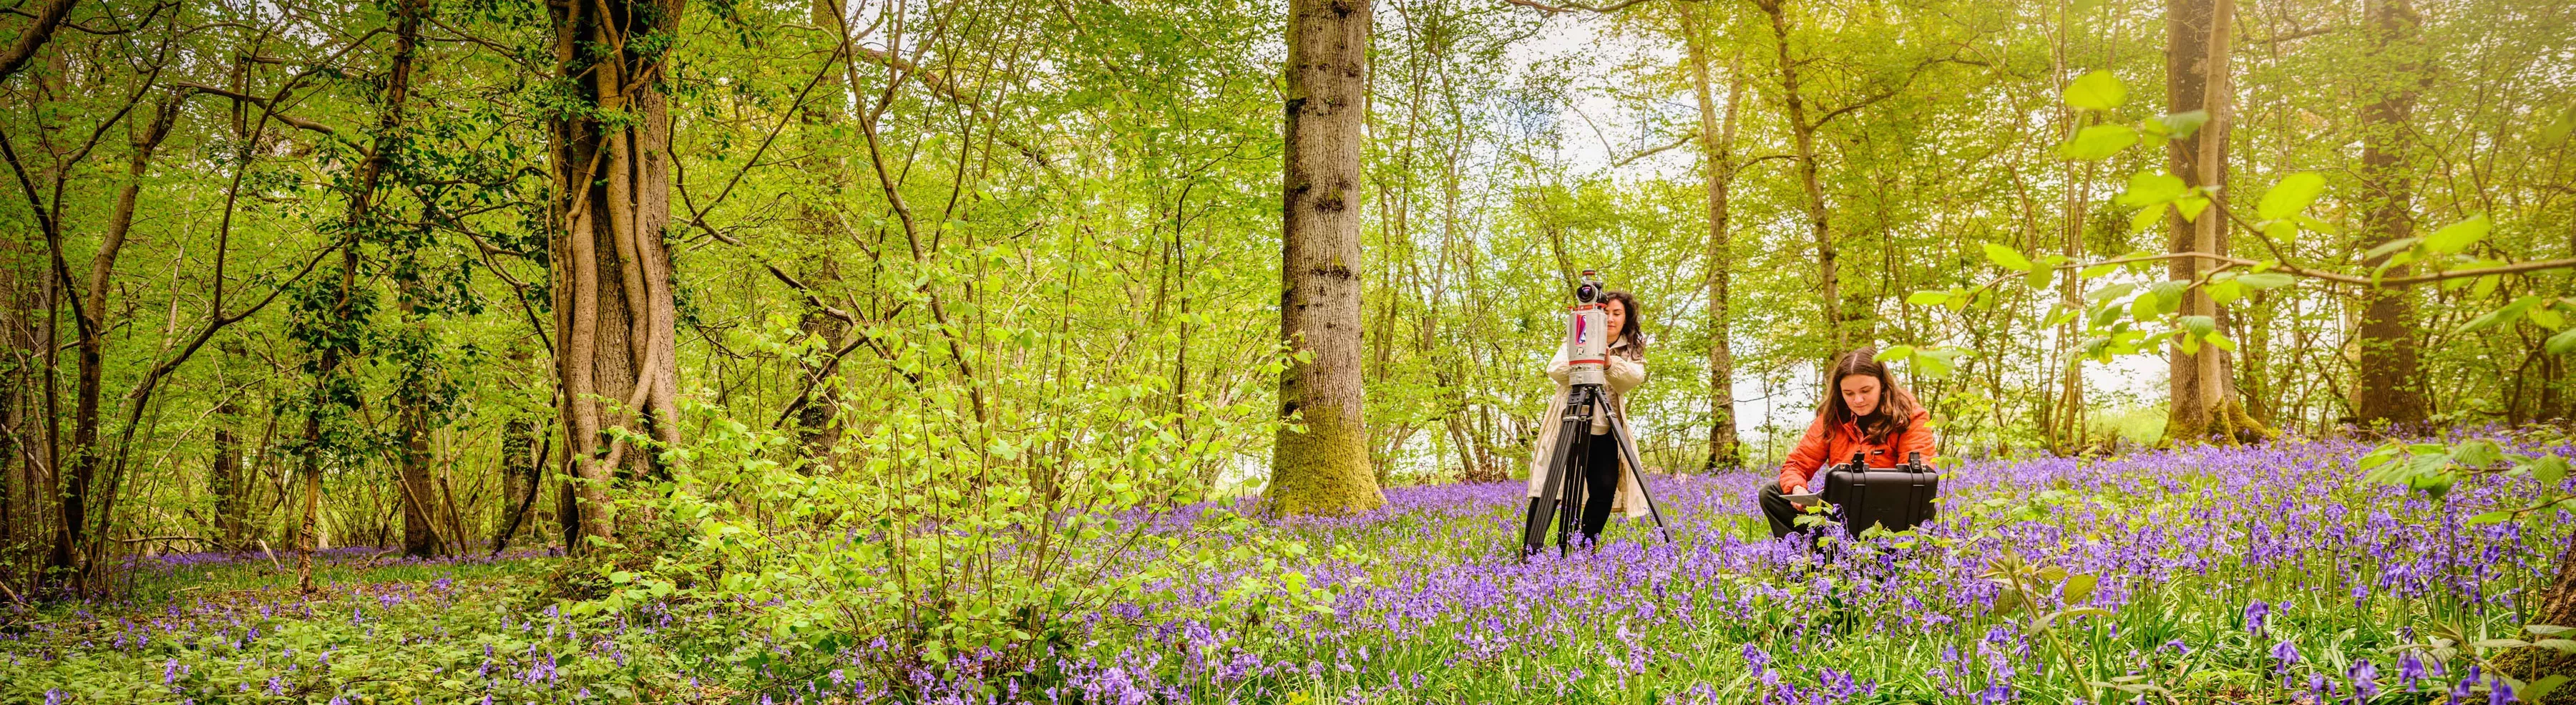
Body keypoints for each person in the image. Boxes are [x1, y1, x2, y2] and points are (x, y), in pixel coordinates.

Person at [1758, 347, 1938, 540]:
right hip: (1840, 512)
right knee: (1771, 493)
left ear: (1883, 386)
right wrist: (1798, 489)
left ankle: (1883, 556)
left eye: (1866, 391)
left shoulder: (1910, 416)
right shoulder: (1832, 418)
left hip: (1890, 511)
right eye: (1849, 393)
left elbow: (1918, 476)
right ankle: (1805, 557)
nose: (1858, 400)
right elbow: (1798, 464)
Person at [1524, 291, 1654, 548]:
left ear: (1626, 318)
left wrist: (1608, 365)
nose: (1611, 318)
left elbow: (1633, 378)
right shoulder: (1577, 335)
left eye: (1617, 313)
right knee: (1551, 489)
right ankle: (1530, 553)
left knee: (1604, 490)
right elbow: (1556, 370)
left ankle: (1583, 548)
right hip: (1569, 422)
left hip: (1605, 428)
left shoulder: (1631, 348)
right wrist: (1588, 359)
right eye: (1606, 313)